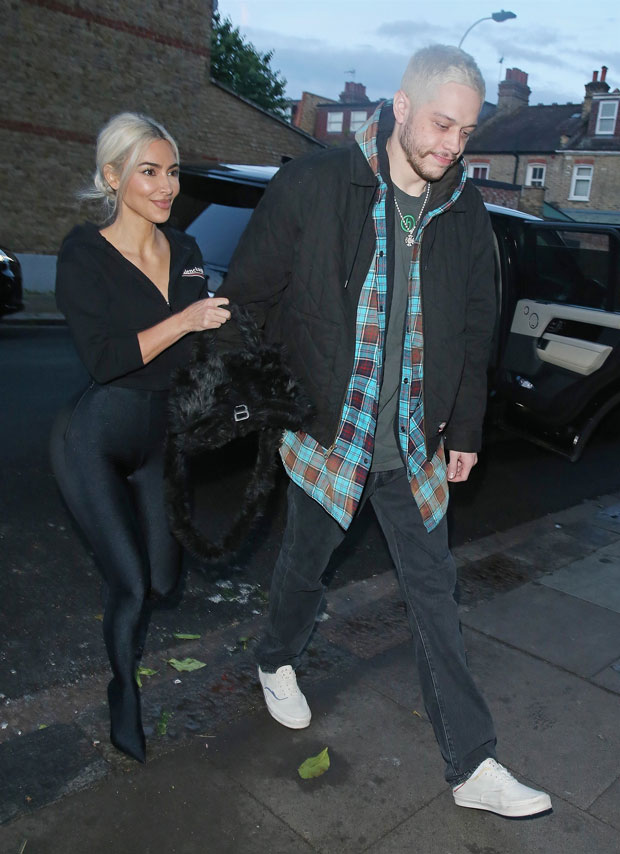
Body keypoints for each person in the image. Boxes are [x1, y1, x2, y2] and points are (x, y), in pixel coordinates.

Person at [215, 45, 552, 817]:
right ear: (401, 107)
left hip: (412, 439)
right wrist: (250, 398)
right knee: (306, 567)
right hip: (330, 433)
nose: (451, 145)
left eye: (465, 132)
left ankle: (473, 764)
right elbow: (248, 299)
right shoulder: (317, 185)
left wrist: (466, 429)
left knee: (435, 595)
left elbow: (476, 325)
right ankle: (275, 656)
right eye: (440, 124)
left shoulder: (463, 209)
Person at [50, 112, 230, 762]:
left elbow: (200, 349)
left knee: (162, 582)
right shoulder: (83, 253)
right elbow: (105, 360)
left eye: (172, 172)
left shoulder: (185, 251)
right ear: (112, 176)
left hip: (164, 439)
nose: (166, 186)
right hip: (93, 437)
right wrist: (184, 320)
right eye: (149, 171)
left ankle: (128, 602)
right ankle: (122, 695)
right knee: (128, 584)